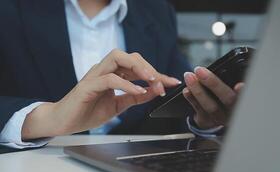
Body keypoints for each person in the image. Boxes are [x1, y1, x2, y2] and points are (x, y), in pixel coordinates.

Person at [0, 0, 243, 149]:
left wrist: (203, 119)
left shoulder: (157, 12)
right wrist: (46, 118)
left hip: (136, 170)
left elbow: (175, 99)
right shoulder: (10, 8)